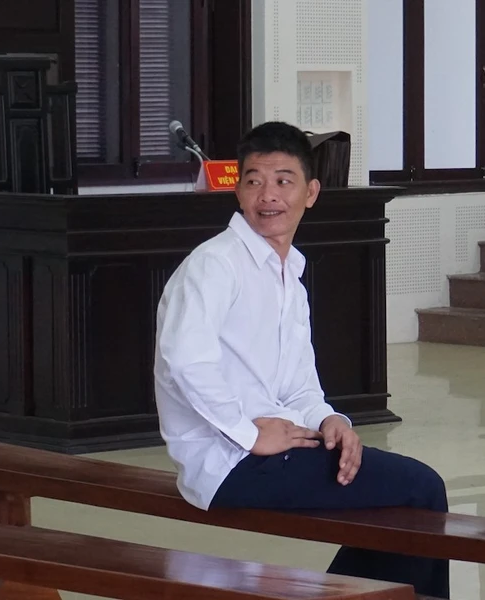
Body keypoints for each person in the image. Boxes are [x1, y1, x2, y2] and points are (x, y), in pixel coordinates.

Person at [153, 121, 450, 599]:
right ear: (238, 190)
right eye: (254, 180)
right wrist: (250, 434)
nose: (268, 195)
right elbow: (185, 363)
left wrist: (331, 421)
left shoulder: (288, 274)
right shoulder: (215, 264)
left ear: (310, 193)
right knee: (421, 489)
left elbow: (298, 386)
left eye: (283, 181)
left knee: (398, 504)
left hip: (275, 449)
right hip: (228, 463)